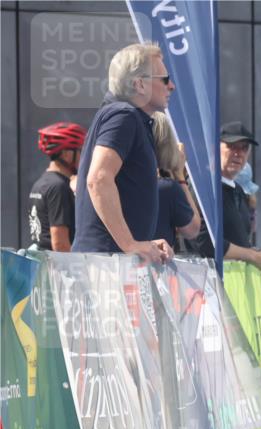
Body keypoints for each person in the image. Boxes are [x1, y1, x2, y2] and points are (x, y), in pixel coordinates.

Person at [72, 43, 175, 264]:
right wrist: (130, 244)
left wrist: (142, 243)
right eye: (165, 79)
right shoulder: (123, 115)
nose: (172, 86)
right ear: (139, 84)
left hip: (110, 260)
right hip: (108, 264)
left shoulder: (128, 117)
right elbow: (99, 179)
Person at [193, 122, 261, 273]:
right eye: (232, 146)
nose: (238, 153)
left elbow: (237, 240)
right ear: (215, 147)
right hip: (206, 285)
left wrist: (260, 256)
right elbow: (204, 241)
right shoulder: (202, 187)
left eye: (244, 148)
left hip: (232, 288)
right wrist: (252, 256)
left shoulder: (239, 191)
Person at [27, 122, 86, 251]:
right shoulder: (59, 187)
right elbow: (60, 244)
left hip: (42, 263)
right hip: (56, 267)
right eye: (80, 150)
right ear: (66, 154)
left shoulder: (41, 183)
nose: (84, 157)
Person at [151, 112, 201, 249]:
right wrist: (179, 174)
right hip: (153, 266)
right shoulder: (167, 188)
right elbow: (193, 229)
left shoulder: (119, 182)